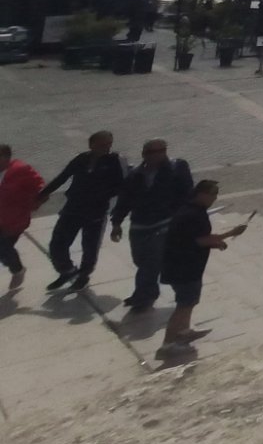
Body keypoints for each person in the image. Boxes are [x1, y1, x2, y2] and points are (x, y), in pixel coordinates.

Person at [108, 139, 193, 311]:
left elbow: (187, 193)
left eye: (158, 151)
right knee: (140, 260)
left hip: (164, 223)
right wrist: (116, 222)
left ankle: (144, 297)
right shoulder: (135, 175)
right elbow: (125, 200)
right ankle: (154, 291)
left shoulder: (177, 168)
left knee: (151, 262)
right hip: (139, 224)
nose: (153, 156)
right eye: (148, 152)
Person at [38, 129, 126, 292]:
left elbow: (122, 186)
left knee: (90, 247)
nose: (106, 147)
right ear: (91, 144)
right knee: (57, 243)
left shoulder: (114, 161)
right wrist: (43, 194)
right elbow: (63, 177)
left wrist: (102, 196)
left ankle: (84, 275)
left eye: (109, 144)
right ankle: (67, 270)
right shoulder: (81, 159)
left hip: (96, 212)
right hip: (73, 208)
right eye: (102, 144)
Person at [161, 180, 243, 350]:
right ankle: (168, 344)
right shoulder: (193, 214)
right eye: (212, 193)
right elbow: (200, 240)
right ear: (201, 193)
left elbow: (195, 238)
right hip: (184, 267)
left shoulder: (193, 210)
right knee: (184, 304)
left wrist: (217, 242)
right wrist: (230, 234)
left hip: (185, 265)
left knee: (189, 301)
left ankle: (184, 332)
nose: (215, 197)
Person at [0, 145, 46, 297]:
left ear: (7, 156)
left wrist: (36, 202)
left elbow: (40, 186)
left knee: (4, 247)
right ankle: (12, 264)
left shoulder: (20, 169)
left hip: (14, 219)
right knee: (3, 251)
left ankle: (17, 269)